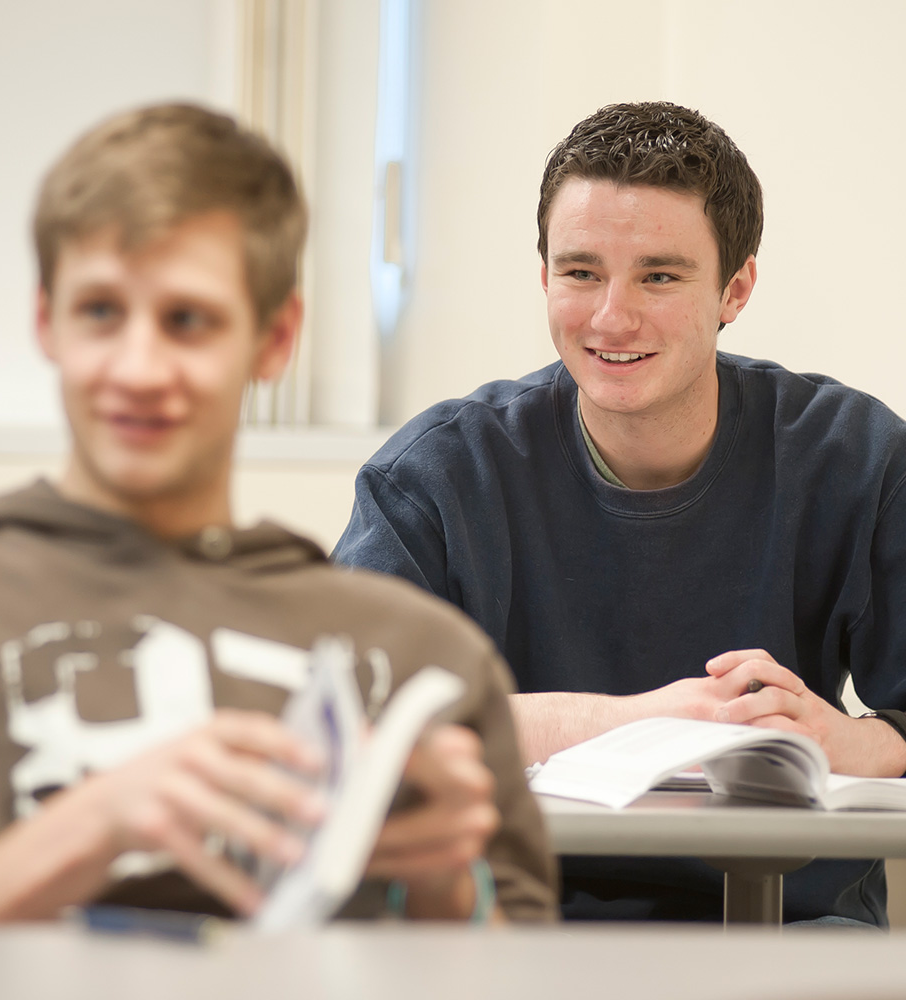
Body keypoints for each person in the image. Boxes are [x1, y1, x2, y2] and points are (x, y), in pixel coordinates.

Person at [0, 103, 556, 926]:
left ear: (274, 338)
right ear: (47, 322)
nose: (139, 369)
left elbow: (521, 962)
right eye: (101, 312)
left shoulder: (425, 656)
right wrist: (92, 828)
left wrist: (442, 887)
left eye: (188, 322)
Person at [333, 100, 906, 925]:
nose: (611, 317)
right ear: (544, 277)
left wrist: (848, 742)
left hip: (794, 940)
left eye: (660, 276)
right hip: (508, 937)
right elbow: (353, 726)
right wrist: (645, 722)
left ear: (735, 288)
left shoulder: (858, 459)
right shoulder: (434, 477)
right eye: (580, 272)